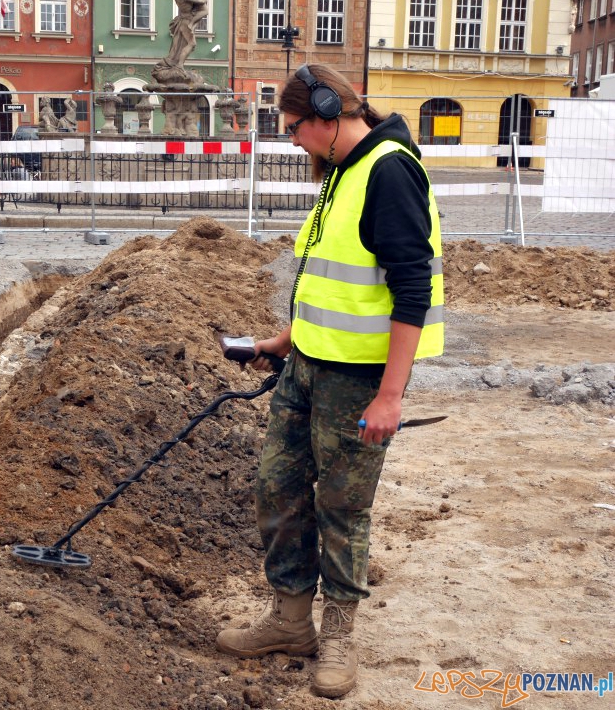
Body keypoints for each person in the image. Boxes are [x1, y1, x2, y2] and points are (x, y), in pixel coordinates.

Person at [215, 65, 444, 699]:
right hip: (308, 364)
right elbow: (327, 279)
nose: (292, 141)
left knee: (342, 506)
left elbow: (410, 290)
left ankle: (338, 635)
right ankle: (291, 623)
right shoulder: (343, 171)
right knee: (277, 485)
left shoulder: (389, 169)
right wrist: (280, 343)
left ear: (324, 112)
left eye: (293, 128)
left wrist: (391, 395)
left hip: (358, 377)